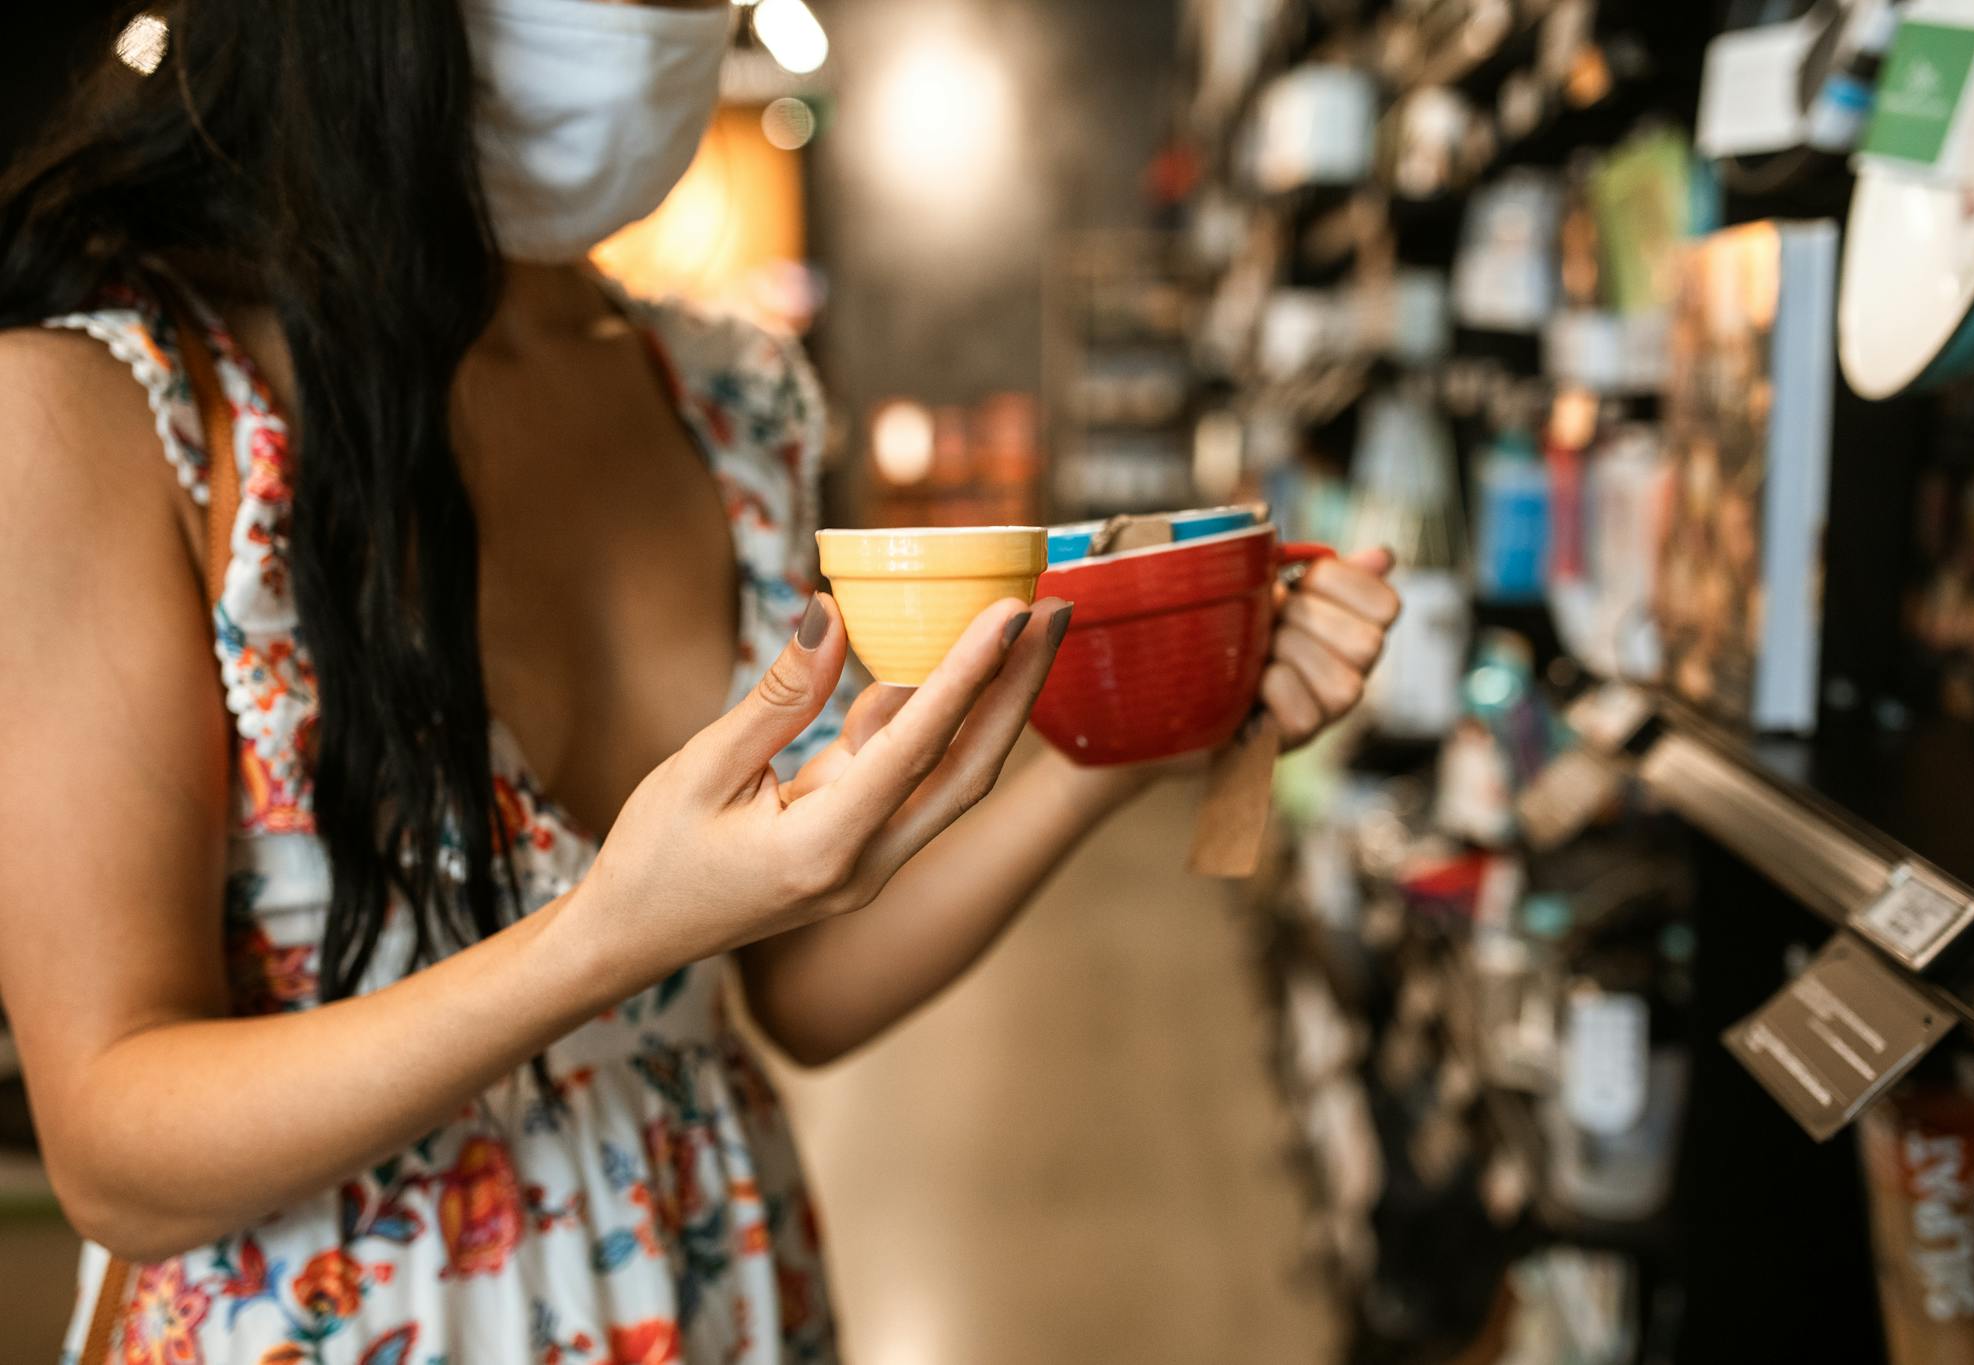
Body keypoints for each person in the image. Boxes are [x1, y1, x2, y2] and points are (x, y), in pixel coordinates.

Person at [0, 1, 1401, 1360]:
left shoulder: (722, 396)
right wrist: (601, 939)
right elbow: (118, 1154)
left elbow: (794, 981)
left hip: (715, 1278)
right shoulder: (106, 409)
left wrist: (1144, 746)